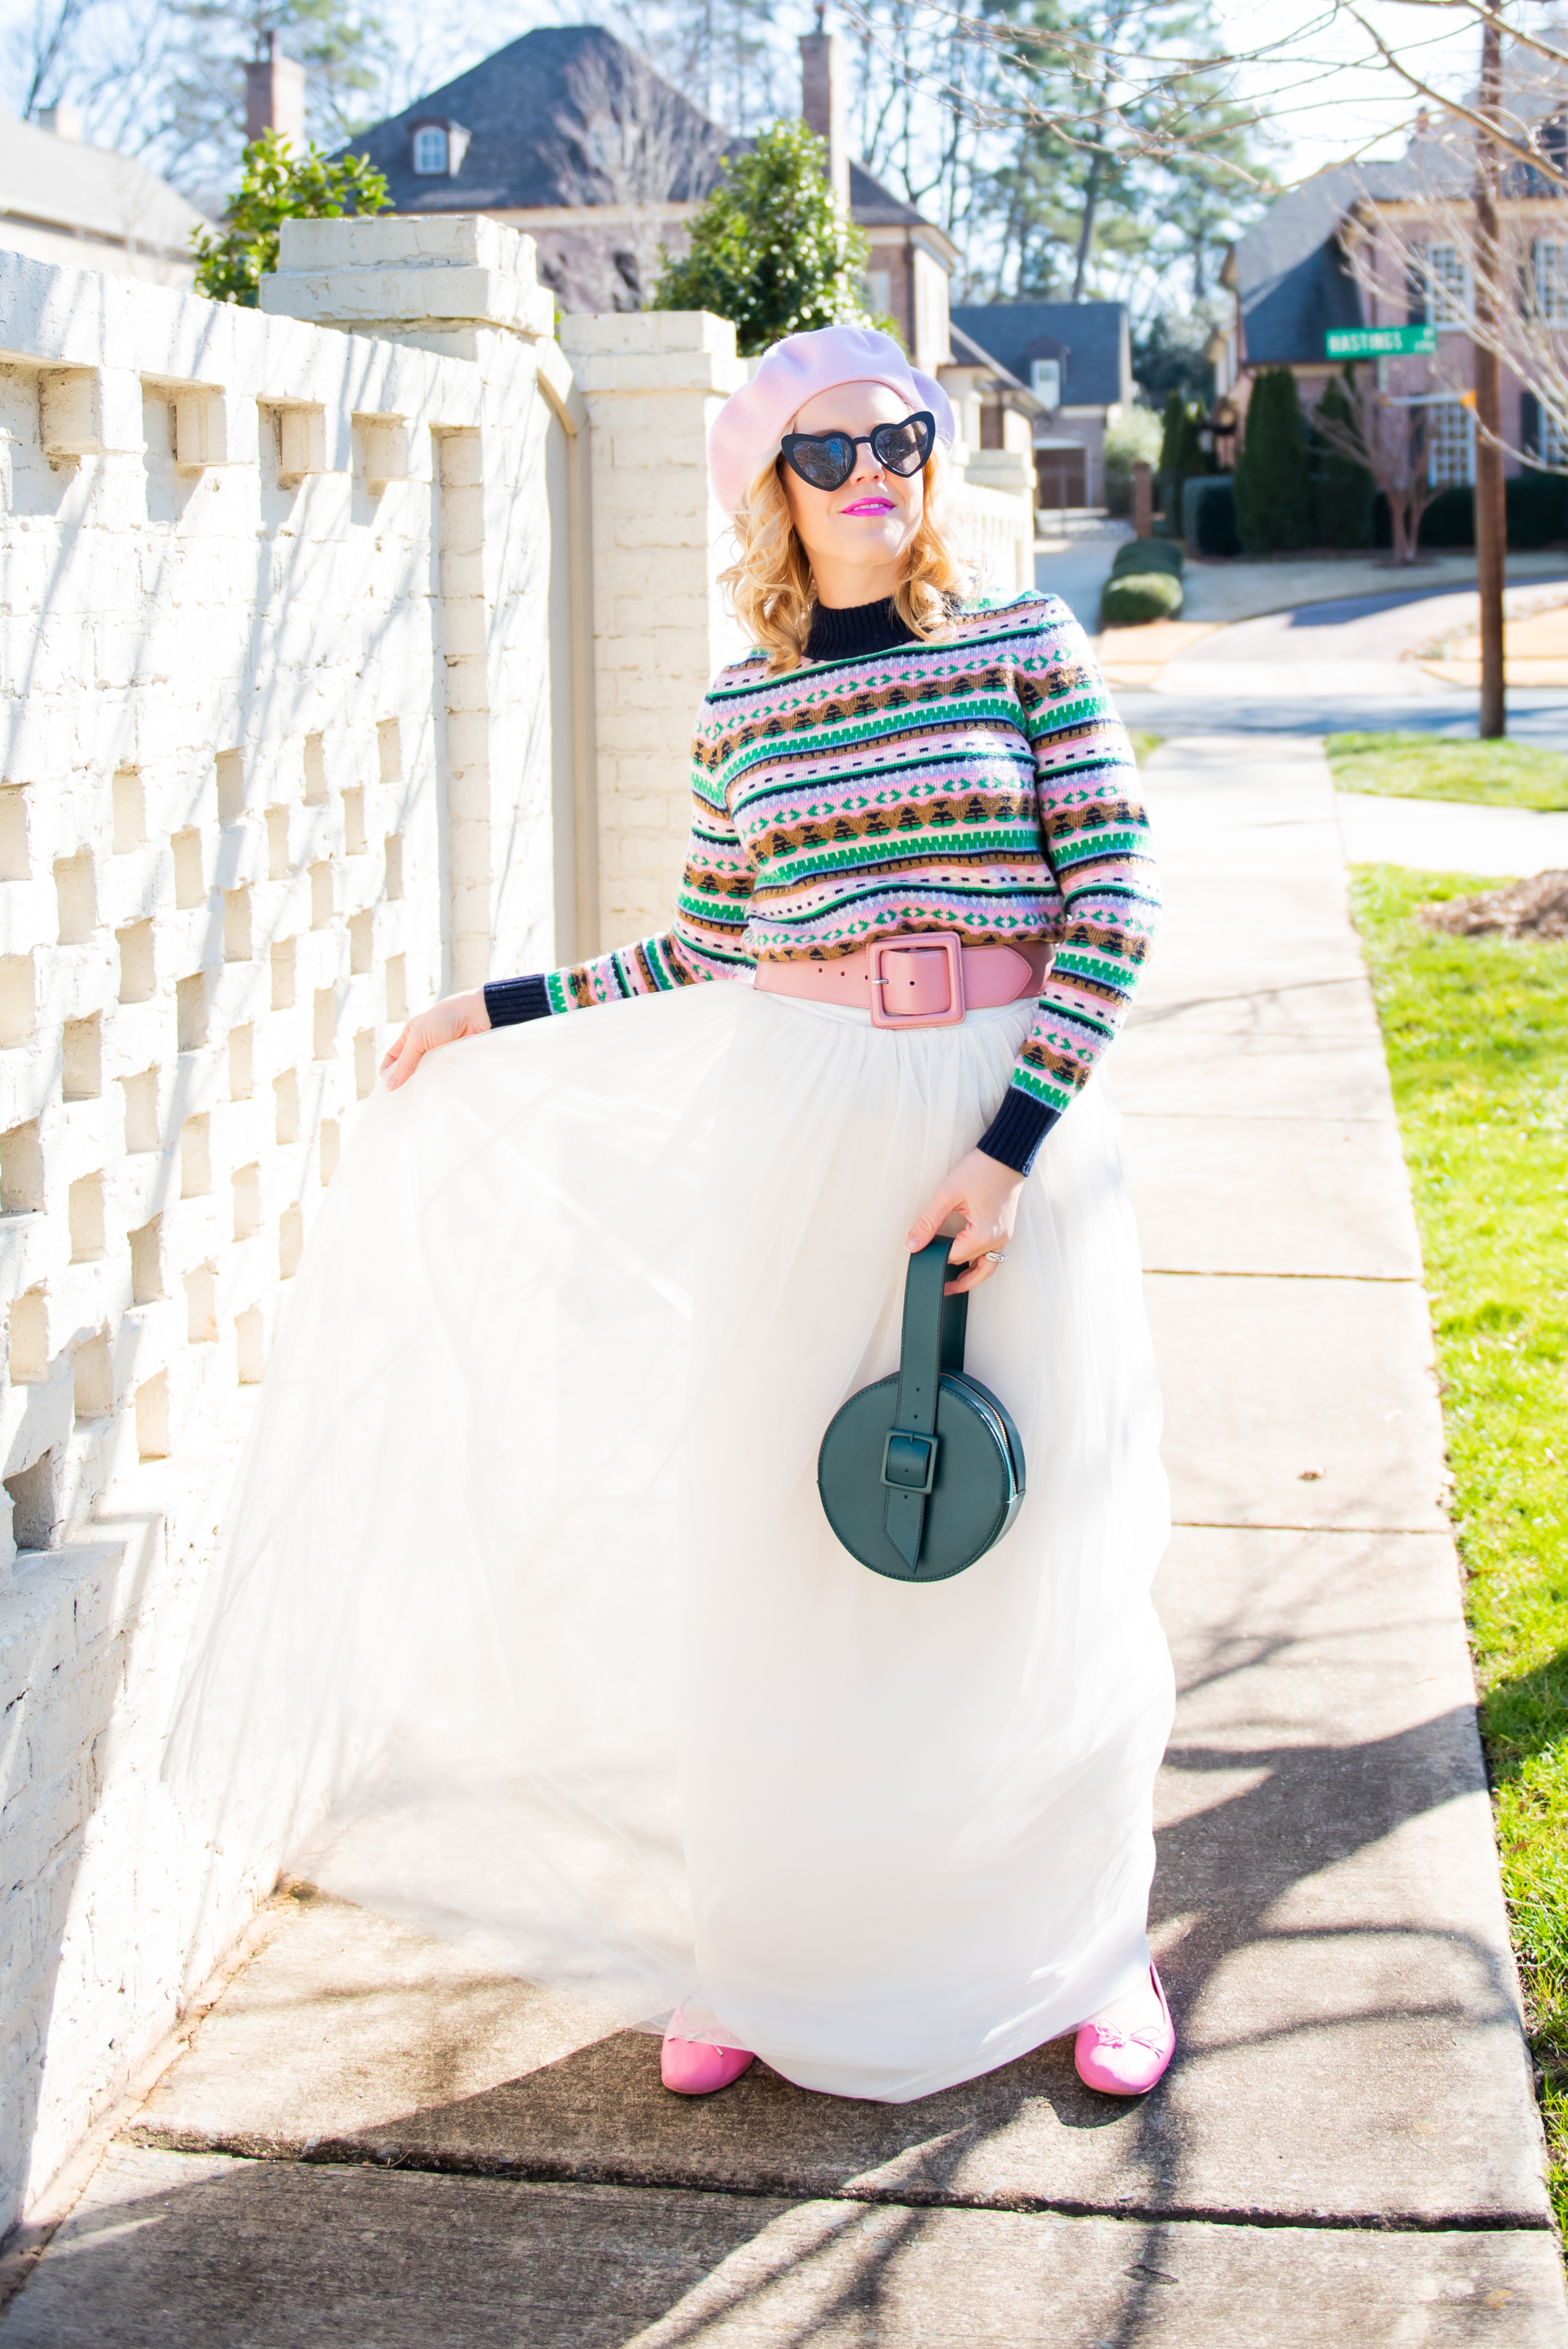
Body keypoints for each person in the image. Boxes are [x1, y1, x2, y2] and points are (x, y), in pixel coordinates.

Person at [170, 324, 1176, 2107]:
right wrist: (498, 1011)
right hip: (800, 1137)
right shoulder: (739, 704)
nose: (879, 475)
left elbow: (1110, 893)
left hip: (1000, 1132)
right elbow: (709, 945)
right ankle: (776, 1942)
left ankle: (1081, 1936)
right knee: (783, 1540)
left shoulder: (1025, 643)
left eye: (906, 439)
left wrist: (1009, 1142)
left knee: (1032, 1536)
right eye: (833, 452)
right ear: (770, 497)